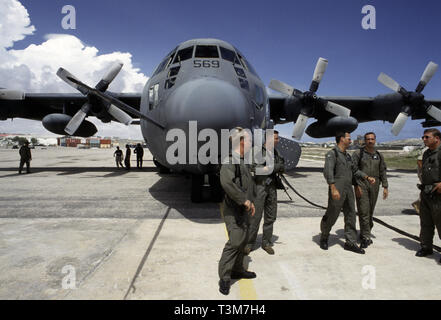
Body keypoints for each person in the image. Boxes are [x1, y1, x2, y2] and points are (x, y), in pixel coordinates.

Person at [319, 132, 375, 254]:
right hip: (337, 188)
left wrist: (366, 177)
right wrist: (333, 188)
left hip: (348, 189)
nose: (351, 140)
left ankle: (350, 242)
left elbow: (354, 171)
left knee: (351, 215)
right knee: (332, 214)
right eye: (349, 138)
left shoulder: (347, 156)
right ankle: (324, 236)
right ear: (342, 139)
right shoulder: (332, 154)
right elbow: (327, 172)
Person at [218, 127, 256, 296]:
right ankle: (225, 278)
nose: (250, 143)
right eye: (248, 140)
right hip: (233, 209)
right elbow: (227, 183)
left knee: (243, 240)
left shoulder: (242, 160)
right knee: (234, 242)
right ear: (241, 142)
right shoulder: (230, 160)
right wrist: (244, 200)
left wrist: (250, 201)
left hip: (244, 208)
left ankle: (238, 270)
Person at [245, 130, 285, 255]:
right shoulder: (256, 152)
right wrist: (269, 168)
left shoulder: (276, 152)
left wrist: (270, 168)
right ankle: (249, 243)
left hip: (271, 188)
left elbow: (282, 166)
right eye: (276, 138)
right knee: (254, 217)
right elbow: (253, 169)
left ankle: (266, 242)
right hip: (259, 188)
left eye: (278, 138)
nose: (278, 141)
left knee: (271, 217)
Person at [352, 132, 389, 248]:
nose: (370, 141)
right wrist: (357, 185)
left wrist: (385, 186)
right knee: (363, 211)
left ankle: (366, 231)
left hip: (375, 185)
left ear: (375, 140)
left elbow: (382, 170)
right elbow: (353, 170)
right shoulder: (358, 153)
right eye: (368, 139)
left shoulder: (379, 155)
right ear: (364, 140)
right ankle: (365, 237)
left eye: (372, 139)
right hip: (362, 183)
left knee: (370, 211)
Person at [415, 128, 441, 261]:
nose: (424, 140)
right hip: (426, 192)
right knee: (425, 222)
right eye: (423, 137)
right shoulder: (426, 154)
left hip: (438, 194)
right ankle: (426, 247)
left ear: (437, 138)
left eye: (427, 137)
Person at [412, 146, 428, 214]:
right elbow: (419, 161)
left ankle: (419, 204)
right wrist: (425, 173)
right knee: (427, 190)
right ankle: (419, 205)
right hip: (425, 174)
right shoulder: (427, 149)